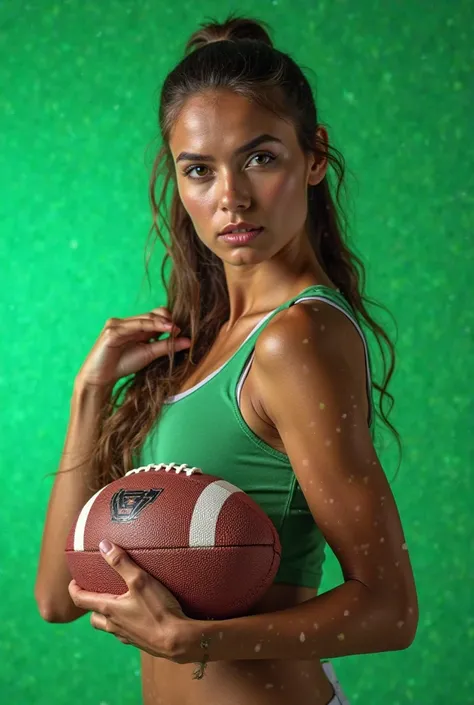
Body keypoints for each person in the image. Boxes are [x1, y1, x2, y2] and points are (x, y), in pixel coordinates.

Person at [35, 14, 418, 705]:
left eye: (261, 157)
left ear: (315, 157)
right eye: (200, 170)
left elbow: (391, 610)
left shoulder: (295, 338)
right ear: (178, 180)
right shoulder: (202, 339)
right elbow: (59, 599)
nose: (231, 199)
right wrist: (90, 393)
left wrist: (199, 640)